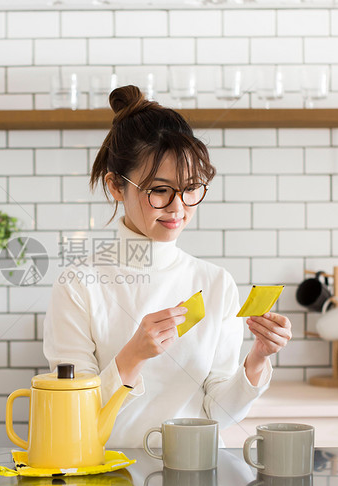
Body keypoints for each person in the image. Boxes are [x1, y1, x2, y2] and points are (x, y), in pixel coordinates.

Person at [43, 85, 292, 448]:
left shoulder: (215, 282)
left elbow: (219, 414)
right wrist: (132, 356)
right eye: (160, 190)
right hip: (111, 479)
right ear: (116, 185)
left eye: (191, 188)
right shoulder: (79, 284)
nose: (178, 208)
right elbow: (72, 417)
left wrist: (257, 360)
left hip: (199, 480)